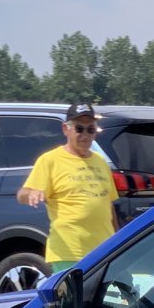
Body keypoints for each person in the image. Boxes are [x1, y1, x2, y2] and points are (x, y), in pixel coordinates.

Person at [17, 103, 120, 271]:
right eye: (79, 129)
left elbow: (109, 207)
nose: (85, 135)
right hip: (69, 254)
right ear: (66, 129)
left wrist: (117, 240)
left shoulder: (100, 162)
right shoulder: (50, 160)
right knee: (73, 298)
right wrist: (32, 193)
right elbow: (22, 194)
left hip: (104, 252)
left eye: (90, 129)